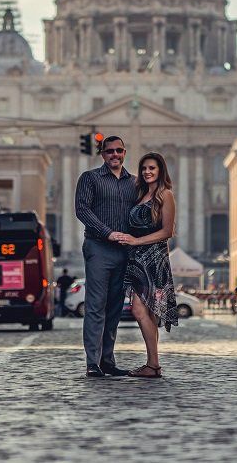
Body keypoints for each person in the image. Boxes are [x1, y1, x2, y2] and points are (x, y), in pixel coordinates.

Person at [74, 134, 138, 378]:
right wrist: (107, 232)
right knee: (95, 306)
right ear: (102, 154)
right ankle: (92, 362)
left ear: (124, 153)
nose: (115, 155)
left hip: (125, 251)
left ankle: (107, 360)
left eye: (119, 151)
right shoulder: (90, 178)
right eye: (110, 151)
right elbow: (82, 209)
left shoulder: (133, 183)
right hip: (99, 247)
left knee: (114, 309)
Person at [112, 152, 177, 378]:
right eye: (144, 169)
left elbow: (168, 231)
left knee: (139, 310)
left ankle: (154, 364)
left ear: (160, 171)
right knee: (147, 312)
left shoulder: (165, 195)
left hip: (154, 259)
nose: (147, 172)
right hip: (136, 258)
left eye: (152, 168)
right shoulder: (140, 195)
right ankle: (152, 364)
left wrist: (137, 240)